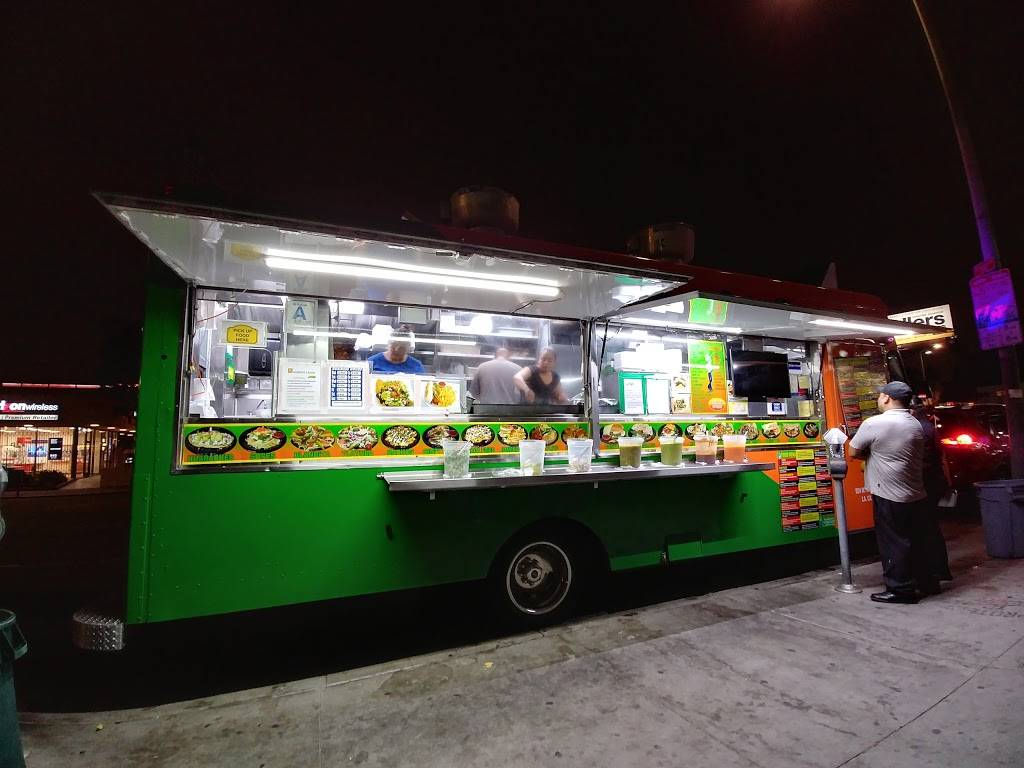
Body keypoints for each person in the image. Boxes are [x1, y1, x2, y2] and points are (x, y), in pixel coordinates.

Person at [849, 381, 937, 604]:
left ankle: (900, 590)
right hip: (915, 492)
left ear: (887, 398)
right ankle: (926, 583)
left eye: (880, 396)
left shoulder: (875, 423)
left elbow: (853, 451)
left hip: (888, 493)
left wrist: (871, 454)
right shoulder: (914, 423)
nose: (879, 399)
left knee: (893, 543)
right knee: (917, 540)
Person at [913, 400, 953, 583]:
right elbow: (942, 457)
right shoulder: (929, 427)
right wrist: (948, 482)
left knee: (925, 527)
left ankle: (933, 571)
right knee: (932, 526)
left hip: (925, 482)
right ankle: (941, 569)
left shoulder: (918, 429)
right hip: (934, 481)